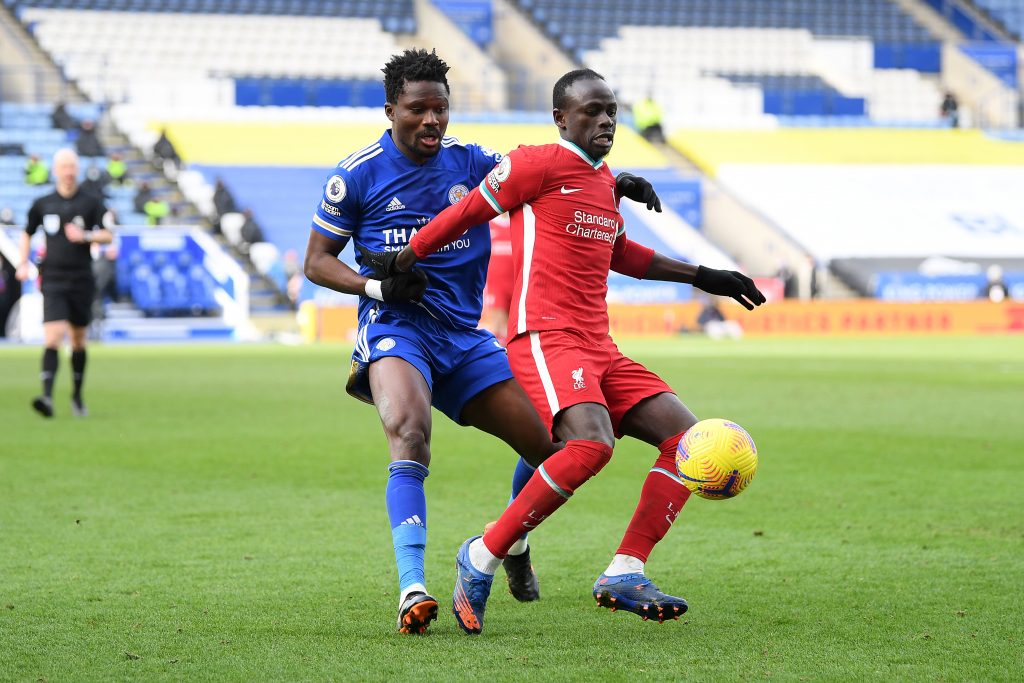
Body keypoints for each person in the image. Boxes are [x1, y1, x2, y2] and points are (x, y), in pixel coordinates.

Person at [368, 68, 766, 634]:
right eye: (592, 111)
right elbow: (470, 210)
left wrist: (705, 275)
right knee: (588, 445)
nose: (606, 120)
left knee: (685, 441)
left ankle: (625, 570)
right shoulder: (536, 163)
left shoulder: (603, 182)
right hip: (545, 337)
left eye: (612, 111)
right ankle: (481, 555)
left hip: (598, 343)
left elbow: (622, 253)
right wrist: (407, 256)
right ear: (561, 118)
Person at [302, 49, 662, 636]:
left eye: (440, 109)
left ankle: (511, 542)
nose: (431, 122)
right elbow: (317, 262)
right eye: (417, 109)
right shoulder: (357, 174)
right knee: (410, 433)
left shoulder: (469, 160)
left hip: (467, 338)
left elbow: (549, 173)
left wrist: (611, 181)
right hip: (397, 327)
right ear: (391, 108)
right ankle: (412, 587)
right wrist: (376, 284)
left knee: (554, 449)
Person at [16, 148, 113, 418]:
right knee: (53, 336)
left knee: (79, 340)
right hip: (53, 278)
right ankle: (46, 397)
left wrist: (85, 236)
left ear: (77, 170)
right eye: (64, 167)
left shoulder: (91, 202)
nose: (68, 172)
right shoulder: (43, 203)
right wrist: (23, 263)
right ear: (56, 170)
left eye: (72, 167)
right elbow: (26, 233)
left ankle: (77, 396)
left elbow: (108, 235)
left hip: (81, 278)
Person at [481, 213, 513, 338]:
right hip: (494, 289)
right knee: (494, 325)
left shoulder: (524, 222)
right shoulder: (486, 225)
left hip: (520, 287)